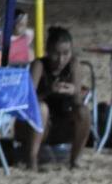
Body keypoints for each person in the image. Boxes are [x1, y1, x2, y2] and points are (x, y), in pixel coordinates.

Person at [14, 25, 92, 171]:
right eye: (56, 54)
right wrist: (49, 91)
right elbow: (27, 100)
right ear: (47, 51)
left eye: (65, 53)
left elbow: (77, 102)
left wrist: (74, 91)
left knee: (83, 111)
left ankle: (75, 160)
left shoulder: (73, 64)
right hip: (34, 126)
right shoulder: (39, 65)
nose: (61, 59)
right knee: (41, 108)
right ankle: (32, 161)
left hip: (60, 124)